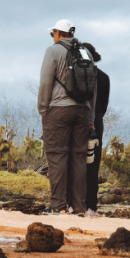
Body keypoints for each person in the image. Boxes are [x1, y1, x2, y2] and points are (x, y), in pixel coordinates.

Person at [37, 19, 95, 216]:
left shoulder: (53, 51)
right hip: (83, 111)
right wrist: (91, 116)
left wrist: (43, 109)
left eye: (52, 33)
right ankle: (79, 207)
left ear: (58, 33)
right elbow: (92, 88)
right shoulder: (85, 52)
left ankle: (58, 206)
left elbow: (46, 81)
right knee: (79, 157)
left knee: (57, 155)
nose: (52, 37)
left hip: (58, 110)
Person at [81, 43, 109, 218]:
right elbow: (103, 106)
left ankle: (73, 203)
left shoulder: (77, 75)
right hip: (97, 121)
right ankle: (91, 206)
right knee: (93, 163)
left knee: (76, 162)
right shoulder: (104, 77)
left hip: (79, 118)